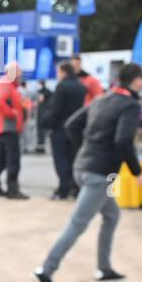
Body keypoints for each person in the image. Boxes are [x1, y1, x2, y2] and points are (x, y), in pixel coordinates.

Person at [33, 64, 142, 282]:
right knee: (78, 223)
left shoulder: (103, 99)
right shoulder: (130, 105)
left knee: (111, 215)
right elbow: (123, 141)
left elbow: (72, 125)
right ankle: (46, 269)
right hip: (99, 175)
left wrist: (84, 150)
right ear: (136, 81)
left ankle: (103, 268)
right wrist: (137, 172)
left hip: (83, 168)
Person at [0, 62, 30, 199]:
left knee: (0, 159)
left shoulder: (10, 85)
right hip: (8, 127)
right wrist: (13, 113)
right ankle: (12, 189)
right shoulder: (6, 83)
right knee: (13, 159)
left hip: (5, 127)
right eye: (19, 71)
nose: (21, 74)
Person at [46, 61, 87, 199]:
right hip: (76, 129)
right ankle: (75, 188)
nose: (57, 75)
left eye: (58, 72)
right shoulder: (81, 86)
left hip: (60, 129)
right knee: (73, 160)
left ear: (64, 72)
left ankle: (63, 189)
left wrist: (50, 126)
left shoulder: (62, 86)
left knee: (61, 161)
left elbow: (56, 110)